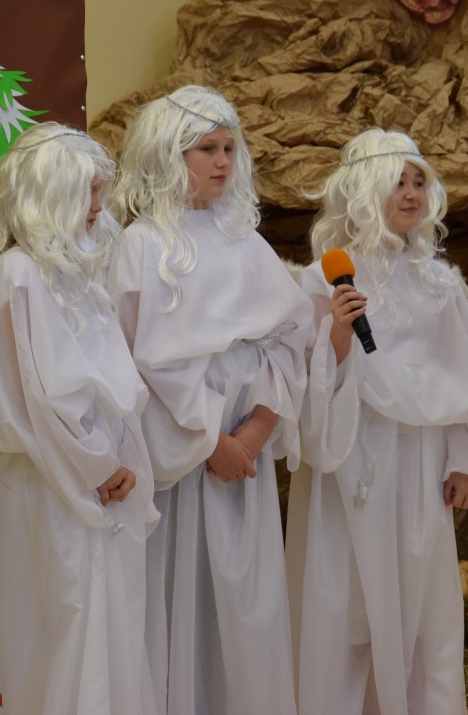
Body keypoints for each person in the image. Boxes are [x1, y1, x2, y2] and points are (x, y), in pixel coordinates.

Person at [286, 128, 468, 715]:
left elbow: (466, 377)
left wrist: (465, 459)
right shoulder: (323, 279)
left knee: (422, 606)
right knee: (349, 602)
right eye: (397, 183)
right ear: (364, 191)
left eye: (418, 182)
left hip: (421, 466)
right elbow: (308, 382)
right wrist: (338, 332)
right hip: (352, 458)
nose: (411, 194)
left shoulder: (440, 284)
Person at [0, 122, 160, 715]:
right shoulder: (22, 273)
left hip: (91, 471)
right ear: (49, 192)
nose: (97, 207)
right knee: (66, 624)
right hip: (52, 478)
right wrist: (99, 466)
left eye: (98, 192)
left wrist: (120, 456)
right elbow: (44, 394)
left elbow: (110, 381)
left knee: (108, 623)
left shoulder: (74, 275)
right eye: (85, 192)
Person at [111, 85, 311, 715]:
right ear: (168, 155)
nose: (223, 161)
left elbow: (291, 339)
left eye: (229, 148)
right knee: (181, 596)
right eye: (207, 149)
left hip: (241, 459)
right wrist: (208, 441)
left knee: (247, 604)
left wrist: (256, 430)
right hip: (184, 466)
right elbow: (138, 361)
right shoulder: (144, 244)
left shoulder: (246, 241)